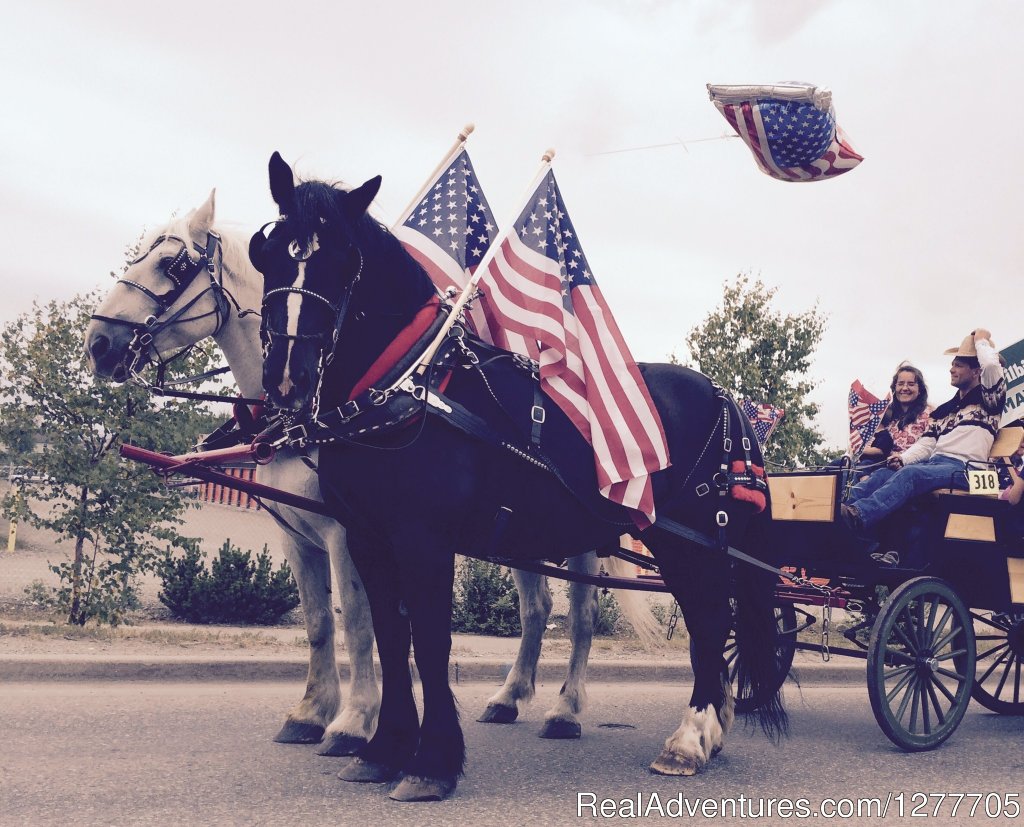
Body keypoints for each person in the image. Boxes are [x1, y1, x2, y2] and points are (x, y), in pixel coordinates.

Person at [841, 328, 1006, 563]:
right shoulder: (944, 410)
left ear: (976, 369)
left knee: (912, 475)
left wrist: (980, 339)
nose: (951, 368)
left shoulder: (990, 400)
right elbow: (927, 444)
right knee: (883, 474)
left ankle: (859, 517)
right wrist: (903, 459)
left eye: (958, 364)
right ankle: (840, 513)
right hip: (938, 466)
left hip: (972, 471)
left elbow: (992, 367)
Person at [859, 363, 932, 463]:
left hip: (910, 467)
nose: (905, 388)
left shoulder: (930, 414)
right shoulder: (885, 413)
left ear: (920, 390)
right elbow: (866, 436)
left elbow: (929, 447)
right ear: (894, 388)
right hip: (879, 463)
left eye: (911, 384)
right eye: (901, 384)